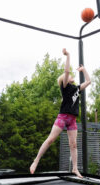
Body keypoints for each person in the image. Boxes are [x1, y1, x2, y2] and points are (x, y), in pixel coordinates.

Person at [30, 48, 91, 178]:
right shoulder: (65, 87)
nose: (71, 76)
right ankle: (36, 160)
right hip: (63, 117)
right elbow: (67, 70)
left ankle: (75, 168)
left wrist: (83, 69)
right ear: (66, 79)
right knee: (51, 139)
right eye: (69, 76)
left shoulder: (76, 89)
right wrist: (68, 55)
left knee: (73, 144)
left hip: (72, 120)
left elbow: (89, 81)